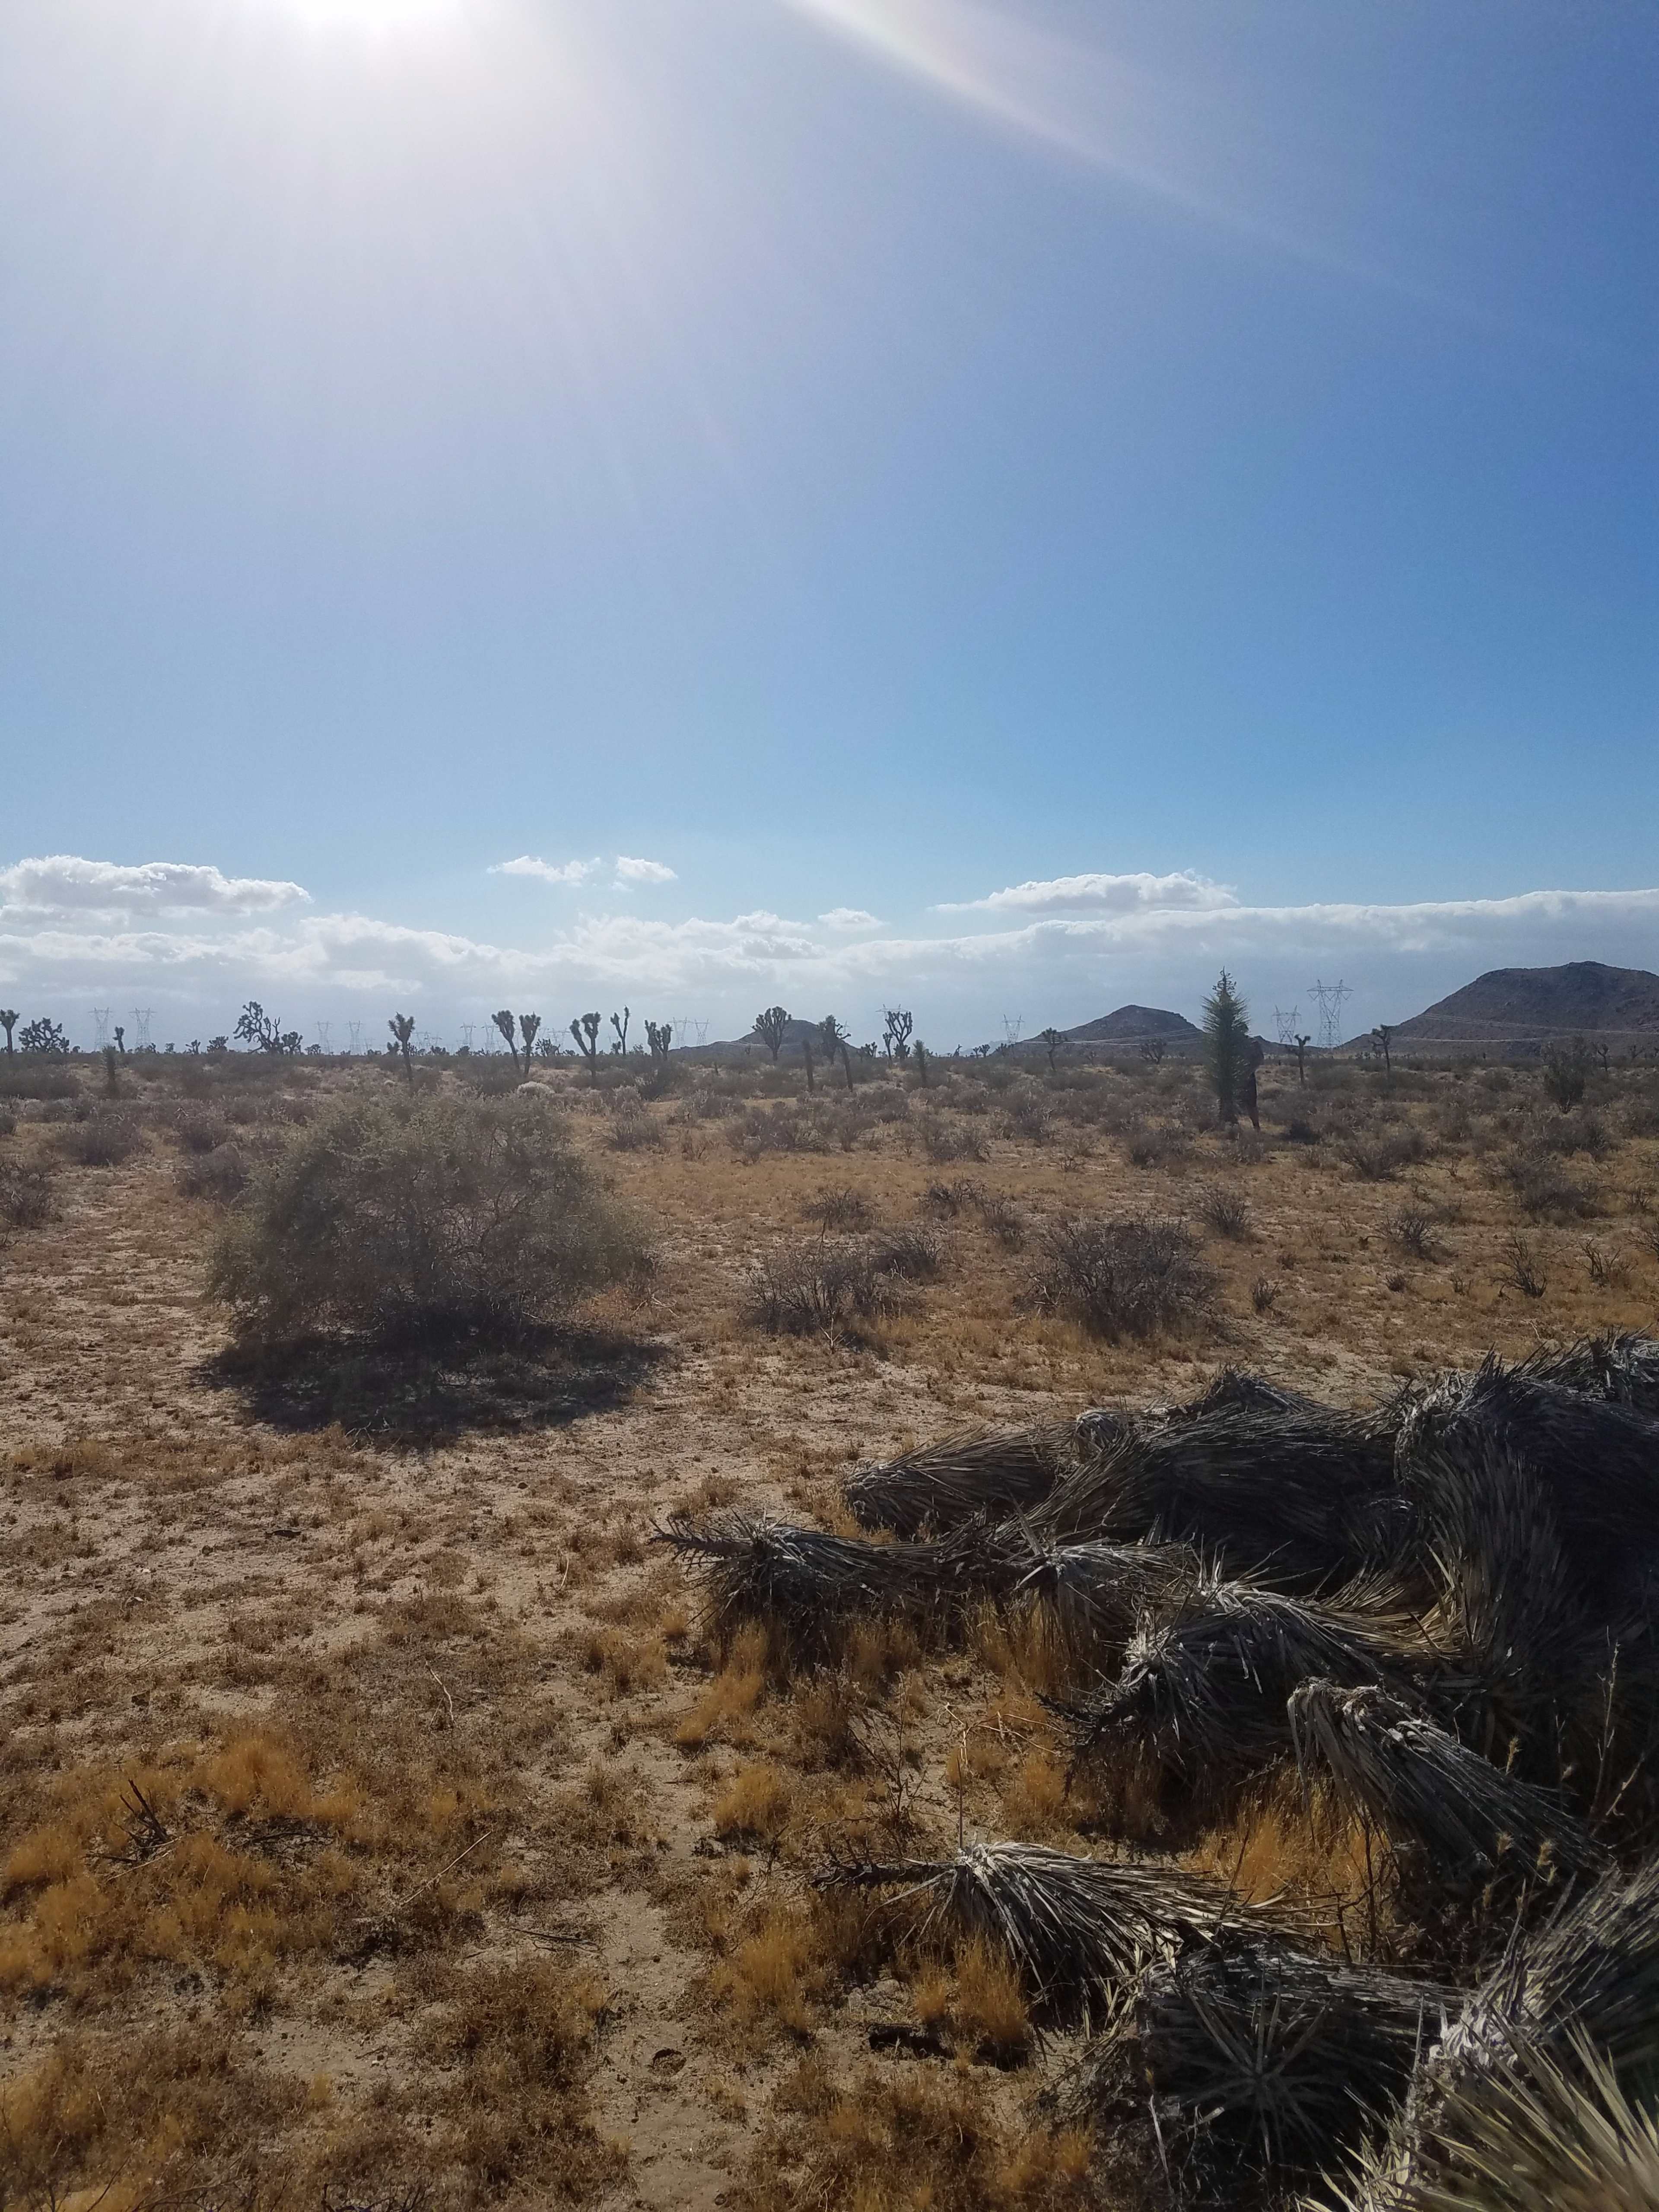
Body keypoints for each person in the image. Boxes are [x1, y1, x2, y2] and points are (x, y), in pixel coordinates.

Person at [1240, 1040, 1265, 1133]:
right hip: (1232, 1076)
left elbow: (1260, 1060)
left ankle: (1256, 1127)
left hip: (1248, 1078)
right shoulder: (1231, 1041)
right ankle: (1230, 1126)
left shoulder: (1252, 1043)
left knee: (1251, 1104)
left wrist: (1248, 1072)